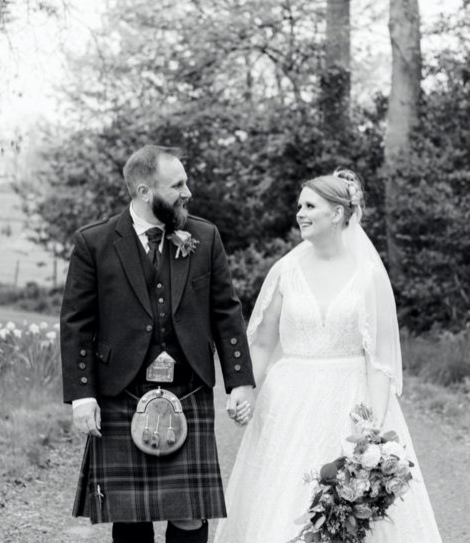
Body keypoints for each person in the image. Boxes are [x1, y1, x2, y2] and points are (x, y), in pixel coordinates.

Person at [214, 171, 441, 542]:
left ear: (337, 213)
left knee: (351, 507)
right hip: (287, 404)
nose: (300, 213)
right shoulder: (286, 270)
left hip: (349, 404)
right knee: (281, 498)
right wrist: (245, 389)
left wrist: (375, 431)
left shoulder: (368, 276)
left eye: (309, 206)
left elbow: (379, 360)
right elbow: (263, 344)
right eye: (299, 206)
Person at [61, 145, 256, 543]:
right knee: (132, 517)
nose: (188, 193)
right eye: (178, 185)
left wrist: (240, 382)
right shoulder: (95, 243)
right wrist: (82, 395)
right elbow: (77, 324)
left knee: (189, 515)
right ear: (144, 192)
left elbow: (227, 314)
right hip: (122, 388)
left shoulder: (203, 236)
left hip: (190, 387)